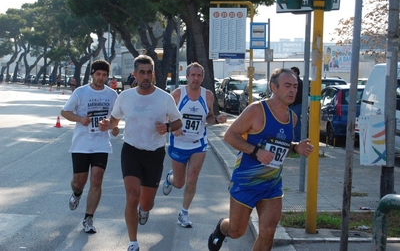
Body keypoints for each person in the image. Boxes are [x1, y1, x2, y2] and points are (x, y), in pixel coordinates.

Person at [207, 68, 314, 251]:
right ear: (274, 87)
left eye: (295, 87)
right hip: (246, 181)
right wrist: (256, 152)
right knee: (236, 230)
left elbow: (281, 144)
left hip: (272, 184)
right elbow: (230, 136)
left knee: (269, 231)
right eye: (287, 86)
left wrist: (296, 147)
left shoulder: (293, 118)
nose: (292, 91)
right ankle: (221, 228)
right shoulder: (256, 110)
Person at [98, 55, 182, 251]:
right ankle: (133, 242)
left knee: (146, 202)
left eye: (149, 72)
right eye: (141, 72)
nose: (146, 76)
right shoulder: (125, 97)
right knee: (132, 195)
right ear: (134, 74)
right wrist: (106, 125)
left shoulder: (164, 97)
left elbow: (178, 122)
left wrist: (168, 127)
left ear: (153, 73)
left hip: (154, 153)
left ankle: (144, 210)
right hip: (131, 151)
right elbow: (114, 121)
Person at [162, 62, 227, 228]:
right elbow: (164, 116)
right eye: (193, 75)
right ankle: (170, 178)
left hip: (198, 143)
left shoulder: (208, 95)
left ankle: (183, 213)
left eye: (199, 76)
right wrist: (172, 129)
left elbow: (209, 117)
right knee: (179, 183)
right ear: (187, 77)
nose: (196, 78)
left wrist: (217, 120)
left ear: (203, 78)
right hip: (178, 143)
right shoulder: (177, 94)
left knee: (192, 178)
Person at [61, 59, 119, 234]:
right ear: (92, 74)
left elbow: (115, 123)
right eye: (98, 74)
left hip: (101, 144)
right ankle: (77, 194)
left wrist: (111, 126)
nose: (101, 78)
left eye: (104, 75)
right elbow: (65, 112)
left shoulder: (112, 95)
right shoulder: (81, 92)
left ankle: (89, 218)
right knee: (79, 182)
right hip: (81, 144)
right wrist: (80, 119)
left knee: (97, 179)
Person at [289, 66, 303, 142]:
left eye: (292, 72)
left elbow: (298, 95)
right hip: (293, 104)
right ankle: (294, 138)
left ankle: (297, 139)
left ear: (296, 73)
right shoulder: (294, 82)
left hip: (297, 104)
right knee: (292, 120)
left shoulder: (299, 83)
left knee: (296, 121)